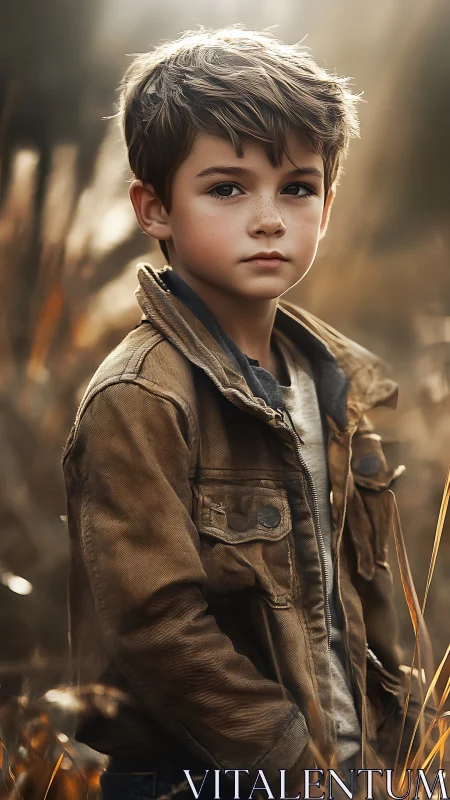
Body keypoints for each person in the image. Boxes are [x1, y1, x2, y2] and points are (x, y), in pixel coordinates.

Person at [62, 27, 412, 800]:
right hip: (199, 780)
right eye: (227, 188)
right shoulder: (140, 397)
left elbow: (361, 603)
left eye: (296, 187)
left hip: (351, 772)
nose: (269, 218)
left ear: (327, 200)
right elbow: (158, 631)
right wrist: (296, 768)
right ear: (154, 208)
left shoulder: (336, 387)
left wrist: (396, 747)